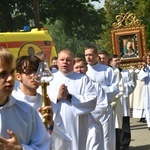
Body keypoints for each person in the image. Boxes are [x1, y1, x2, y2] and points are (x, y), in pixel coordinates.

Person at [0, 46, 50, 149]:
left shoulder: (27, 112)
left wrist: (20, 148)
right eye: (3, 73)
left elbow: (44, 146)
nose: (10, 78)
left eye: (11, 72)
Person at [47, 49, 97, 150]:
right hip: (55, 123)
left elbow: (92, 100)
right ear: (57, 62)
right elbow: (42, 97)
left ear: (73, 62)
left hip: (76, 124)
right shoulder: (49, 79)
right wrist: (57, 97)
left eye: (68, 60)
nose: (65, 62)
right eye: (62, 59)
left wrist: (70, 97)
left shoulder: (83, 79)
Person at [84, 45, 119, 150]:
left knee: (106, 136)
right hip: (88, 111)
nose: (88, 57)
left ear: (96, 55)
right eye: (86, 55)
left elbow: (115, 88)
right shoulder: (83, 70)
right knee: (91, 137)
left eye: (90, 55)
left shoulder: (107, 70)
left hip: (104, 109)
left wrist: (99, 92)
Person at [73, 57, 108, 150]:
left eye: (81, 67)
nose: (79, 70)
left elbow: (102, 104)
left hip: (91, 124)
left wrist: (89, 118)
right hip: (75, 124)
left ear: (86, 68)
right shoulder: (70, 86)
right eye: (76, 67)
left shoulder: (95, 85)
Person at [12, 55, 53, 129]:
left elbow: (61, 136)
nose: (34, 76)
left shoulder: (45, 102)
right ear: (18, 76)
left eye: (37, 71)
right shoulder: (11, 100)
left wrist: (50, 123)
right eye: (29, 72)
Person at [109, 54, 135, 150]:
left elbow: (132, 85)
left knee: (125, 124)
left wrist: (124, 87)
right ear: (110, 62)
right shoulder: (110, 73)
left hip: (123, 102)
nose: (118, 62)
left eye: (119, 60)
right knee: (116, 125)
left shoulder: (125, 72)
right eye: (116, 60)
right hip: (114, 103)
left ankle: (125, 144)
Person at [138, 52, 150, 130]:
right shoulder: (145, 68)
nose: (149, 60)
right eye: (148, 58)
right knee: (148, 106)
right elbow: (140, 77)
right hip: (148, 89)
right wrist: (144, 69)